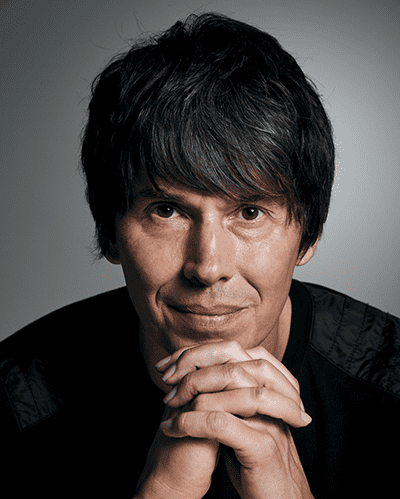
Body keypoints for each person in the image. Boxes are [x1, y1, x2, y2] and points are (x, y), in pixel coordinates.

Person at [0, 12, 399, 499]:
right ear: (109, 232)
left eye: (250, 213)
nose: (208, 268)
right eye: (167, 211)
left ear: (308, 236)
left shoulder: (390, 390)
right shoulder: (17, 402)